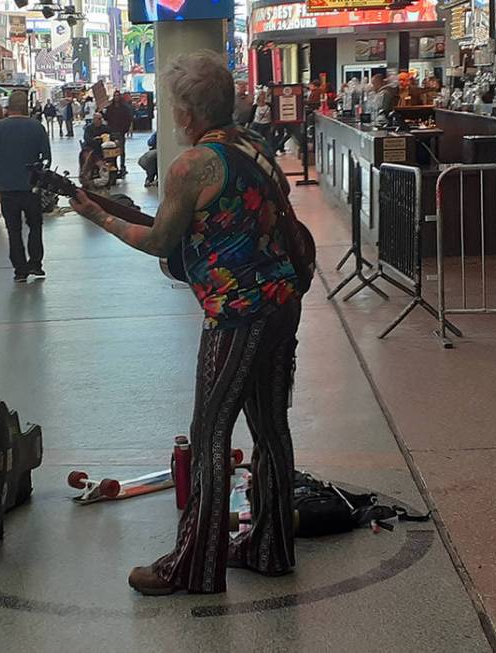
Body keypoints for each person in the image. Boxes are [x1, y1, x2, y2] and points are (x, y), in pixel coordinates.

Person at [69, 50, 304, 595]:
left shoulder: (192, 165)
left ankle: (196, 564)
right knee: (271, 427)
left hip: (236, 312)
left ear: (187, 113)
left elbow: (157, 241)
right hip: (282, 299)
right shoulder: (253, 144)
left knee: (210, 433)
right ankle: (271, 548)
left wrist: (97, 214)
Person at [0, 90, 52, 282]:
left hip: (7, 187)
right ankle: (36, 264)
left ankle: (20, 270)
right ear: (26, 107)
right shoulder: (37, 127)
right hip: (32, 188)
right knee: (35, 226)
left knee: (13, 230)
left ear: (8, 108)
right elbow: (46, 157)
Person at [103, 90, 133, 177]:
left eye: (118, 95)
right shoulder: (110, 108)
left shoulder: (124, 108)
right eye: (115, 95)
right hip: (112, 131)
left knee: (121, 150)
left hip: (120, 132)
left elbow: (128, 119)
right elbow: (107, 118)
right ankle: (114, 166)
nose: (116, 97)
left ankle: (122, 167)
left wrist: (125, 129)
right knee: (112, 151)